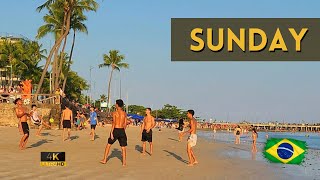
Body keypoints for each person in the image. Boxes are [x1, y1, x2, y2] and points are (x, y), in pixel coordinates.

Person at [100, 99, 128, 166]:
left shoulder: (115, 113)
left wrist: (111, 133)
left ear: (117, 105)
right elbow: (125, 124)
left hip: (115, 129)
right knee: (123, 147)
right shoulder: (124, 113)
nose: (115, 105)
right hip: (122, 130)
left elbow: (114, 123)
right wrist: (123, 130)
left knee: (108, 145)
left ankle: (104, 160)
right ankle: (124, 163)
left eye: (116, 104)